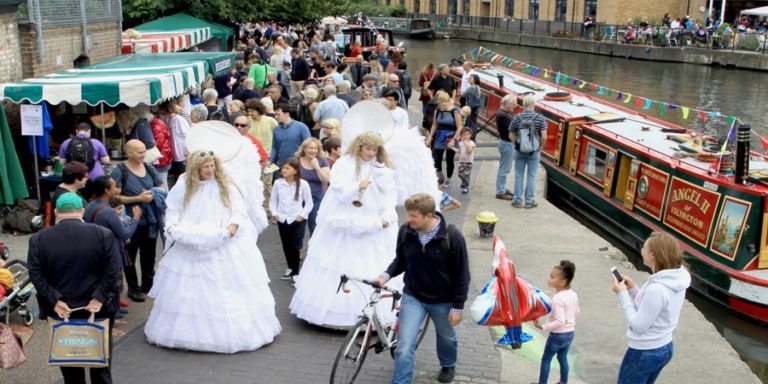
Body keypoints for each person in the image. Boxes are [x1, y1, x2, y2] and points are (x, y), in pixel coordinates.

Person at [144, 150, 281, 353]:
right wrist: (172, 226)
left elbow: (238, 210)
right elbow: (172, 208)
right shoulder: (184, 184)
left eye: (212, 165)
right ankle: (186, 333)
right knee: (187, 289)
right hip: (191, 238)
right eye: (205, 167)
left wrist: (233, 225)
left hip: (224, 240)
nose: (210, 170)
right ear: (195, 169)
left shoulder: (226, 184)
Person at [290, 132, 398, 328]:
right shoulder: (345, 163)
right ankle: (332, 312)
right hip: (345, 216)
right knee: (336, 263)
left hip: (372, 220)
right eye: (368, 149)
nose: (371, 153)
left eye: (375, 150)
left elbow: (389, 193)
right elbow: (337, 188)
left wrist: (386, 216)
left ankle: (370, 313)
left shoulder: (381, 167)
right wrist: (358, 186)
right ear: (359, 147)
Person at [373, 193, 470, 384]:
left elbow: (462, 274)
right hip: (414, 296)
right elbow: (400, 260)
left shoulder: (452, 236)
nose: (408, 220)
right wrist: (384, 276)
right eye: (408, 215)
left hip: (442, 299)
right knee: (404, 344)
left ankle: (448, 364)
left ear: (429, 216)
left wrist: (458, 306)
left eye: (413, 216)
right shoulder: (406, 231)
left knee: (446, 337)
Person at [29, 192, 120, 384]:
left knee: (70, 368)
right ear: (82, 211)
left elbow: (36, 275)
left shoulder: (39, 238)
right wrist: (98, 298)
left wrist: (54, 300)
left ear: (55, 212)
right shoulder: (102, 234)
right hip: (97, 309)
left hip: (61, 311)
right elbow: (112, 271)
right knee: (101, 364)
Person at [612, 232, 691, 384]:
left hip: (644, 352)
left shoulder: (657, 288)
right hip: (664, 347)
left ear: (653, 255)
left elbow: (639, 326)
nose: (642, 249)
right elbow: (656, 308)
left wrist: (622, 295)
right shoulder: (674, 280)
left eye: (645, 247)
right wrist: (633, 289)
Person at [111, 140, 166, 302]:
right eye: (139, 152)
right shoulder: (120, 171)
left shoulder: (149, 168)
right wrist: (138, 198)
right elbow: (114, 197)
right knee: (130, 256)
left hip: (150, 220)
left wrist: (154, 193)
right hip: (129, 221)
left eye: (144, 151)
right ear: (128, 153)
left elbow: (161, 187)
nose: (143, 155)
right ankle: (133, 288)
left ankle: (148, 285)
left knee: (149, 255)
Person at [532, 260, 579, 384]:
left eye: (552, 277)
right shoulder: (572, 294)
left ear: (562, 282)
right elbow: (576, 310)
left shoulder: (557, 299)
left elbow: (560, 321)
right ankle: (564, 381)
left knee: (546, 359)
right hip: (570, 333)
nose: (549, 279)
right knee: (562, 357)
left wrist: (543, 326)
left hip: (558, 335)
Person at [270, 158, 313, 284]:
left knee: (295, 246)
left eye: (287, 168)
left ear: (295, 170)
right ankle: (290, 267)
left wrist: (302, 215)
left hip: (297, 219)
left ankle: (296, 273)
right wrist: (275, 213)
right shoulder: (278, 183)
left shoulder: (303, 184)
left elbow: (309, 203)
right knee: (286, 245)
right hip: (282, 219)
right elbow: (273, 201)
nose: (284, 170)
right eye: (283, 168)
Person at [509, 94, 547, 209]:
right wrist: (540, 147)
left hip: (519, 151)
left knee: (519, 175)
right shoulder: (540, 118)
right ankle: (529, 201)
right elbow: (544, 137)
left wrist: (517, 144)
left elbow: (510, 135)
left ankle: (517, 200)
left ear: (524, 104)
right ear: (534, 104)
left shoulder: (516, 117)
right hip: (534, 152)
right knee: (531, 176)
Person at [427, 91, 462, 188]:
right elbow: (435, 124)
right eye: (441, 101)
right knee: (437, 158)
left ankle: (449, 179)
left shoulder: (455, 111)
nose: (444, 104)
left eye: (445, 101)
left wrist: (453, 140)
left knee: (449, 159)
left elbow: (459, 127)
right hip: (440, 136)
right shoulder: (437, 110)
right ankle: (439, 178)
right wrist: (430, 136)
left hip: (451, 135)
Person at [296, 138, 330, 236]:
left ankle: (313, 249)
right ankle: (297, 248)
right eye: (310, 148)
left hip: (316, 198)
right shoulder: (297, 160)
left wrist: (317, 167)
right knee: (298, 226)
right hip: (299, 199)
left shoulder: (322, 161)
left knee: (314, 226)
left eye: (316, 148)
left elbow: (326, 180)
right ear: (304, 149)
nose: (313, 151)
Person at [495, 94, 517, 200]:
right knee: (504, 169)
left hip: (505, 143)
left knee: (505, 168)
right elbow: (513, 130)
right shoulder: (504, 115)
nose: (515, 106)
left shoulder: (504, 113)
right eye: (513, 104)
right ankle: (500, 191)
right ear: (507, 104)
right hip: (507, 144)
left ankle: (502, 187)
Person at [449, 128, 475, 194]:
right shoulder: (460, 143)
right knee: (460, 174)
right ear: (461, 135)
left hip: (469, 162)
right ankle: (464, 182)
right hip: (461, 161)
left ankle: (466, 187)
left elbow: (470, 151)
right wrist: (452, 147)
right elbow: (459, 151)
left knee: (466, 174)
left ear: (470, 135)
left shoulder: (471, 143)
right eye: (464, 134)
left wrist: (466, 143)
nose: (466, 136)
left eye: (467, 134)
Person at [460, 74, 481, 138]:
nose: (469, 79)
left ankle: (470, 135)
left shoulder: (471, 87)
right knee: (474, 121)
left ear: (474, 80)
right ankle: (473, 135)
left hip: (470, 107)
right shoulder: (478, 87)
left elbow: (463, 95)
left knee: (469, 122)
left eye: (471, 78)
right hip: (476, 107)